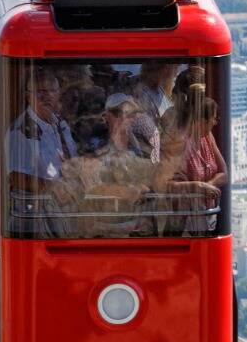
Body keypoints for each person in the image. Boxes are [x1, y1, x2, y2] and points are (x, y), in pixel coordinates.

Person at [69, 93, 164, 236]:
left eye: (133, 115)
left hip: (133, 222)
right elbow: (88, 183)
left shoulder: (136, 143)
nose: (129, 119)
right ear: (108, 116)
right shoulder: (96, 141)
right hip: (105, 224)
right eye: (123, 114)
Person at [5, 71, 78, 236]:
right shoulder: (21, 132)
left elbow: (71, 160)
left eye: (52, 91)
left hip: (66, 211)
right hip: (38, 218)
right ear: (28, 96)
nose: (48, 96)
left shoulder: (60, 123)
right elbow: (17, 178)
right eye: (41, 92)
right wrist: (54, 188)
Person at [159, 82, 226, 234]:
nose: (215, 123)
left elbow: (225, 174)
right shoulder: (179, 143)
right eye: (213, 119)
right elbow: (164, 185)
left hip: (206, 217)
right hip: (183, 223)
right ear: (202, 120)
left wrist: (210, 184)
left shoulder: (207, 138)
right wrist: (199, 187)